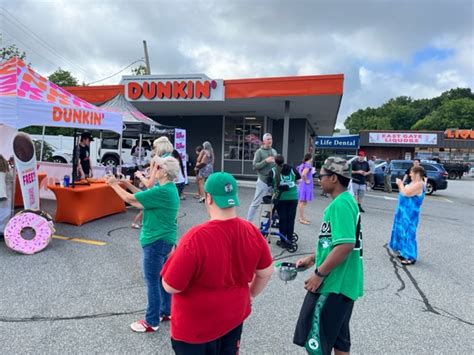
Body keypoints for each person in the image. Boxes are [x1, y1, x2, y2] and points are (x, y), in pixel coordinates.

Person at [161, 172, 273, 354]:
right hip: (234, 317)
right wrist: (250, 295)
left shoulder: (195, 238)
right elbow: (266, 272)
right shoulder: (251, 230)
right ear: (234, 197)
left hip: (195, 330)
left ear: (209, 198)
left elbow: (171, 286)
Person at [293, 157, 363, 355]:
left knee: (316, 342)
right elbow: (334, 242)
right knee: (339, 340)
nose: (318, 180)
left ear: (333, 178)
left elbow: (345, 245)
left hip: (333, 284)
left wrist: (319, 274)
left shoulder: (340, 205)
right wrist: (313, 258)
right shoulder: (346, 201)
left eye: (321, 176)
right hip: (344, 284)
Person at [105, 156, 180, 332]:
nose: (152, 170)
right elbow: (141, 197)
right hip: (165, 240)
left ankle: (151, 321)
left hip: (156, 240)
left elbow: (131, 200)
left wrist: (113, 184)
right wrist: (125, 183)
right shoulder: (168, 189)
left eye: (155, 167)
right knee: (161, 279)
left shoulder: (162, 192)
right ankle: (166, 311)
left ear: (163, 170)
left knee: (152, 281)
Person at [389, 166, 426, 266]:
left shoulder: (419, 184)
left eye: (411, 172)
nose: (410, 174)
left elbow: (406, 193)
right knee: (401, 231)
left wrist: (400, 184)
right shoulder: (413, 182)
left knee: (409, 234)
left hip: (410, 214)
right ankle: (403, 252)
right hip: (403, 212)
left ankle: (410, 257)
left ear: (417, 173)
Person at [269, 155, 301, 247]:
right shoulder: (291, 169)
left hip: (281, 197)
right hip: (293, 197)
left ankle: (283, 240)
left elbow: (269, 182)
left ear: (275, 161)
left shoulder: (273, 170)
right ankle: (290, 238)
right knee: (291, 219)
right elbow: (298, 178)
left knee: (283, 219)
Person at [247, 133, 277, 222]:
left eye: (271, 139)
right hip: (263, 181)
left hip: (273, 181)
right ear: (264, 141)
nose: (270, 141)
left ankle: (267, 224)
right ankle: (248, 223)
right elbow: (255, 166)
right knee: (256, 203)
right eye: (268, 139)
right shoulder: (259, 152)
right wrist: (265, 161)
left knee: (273, 202)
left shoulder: (274, 151)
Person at [297, 153, 314, 225]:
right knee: (303, 202)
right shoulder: (307, 165)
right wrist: (306, 180)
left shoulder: (302, 165)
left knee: (302, 202)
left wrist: (299, 180)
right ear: (310, 158)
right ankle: (301, 218)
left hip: (302, 185)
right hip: (305, 185)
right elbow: (303, 174)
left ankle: (302, 217)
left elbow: (298, 172)